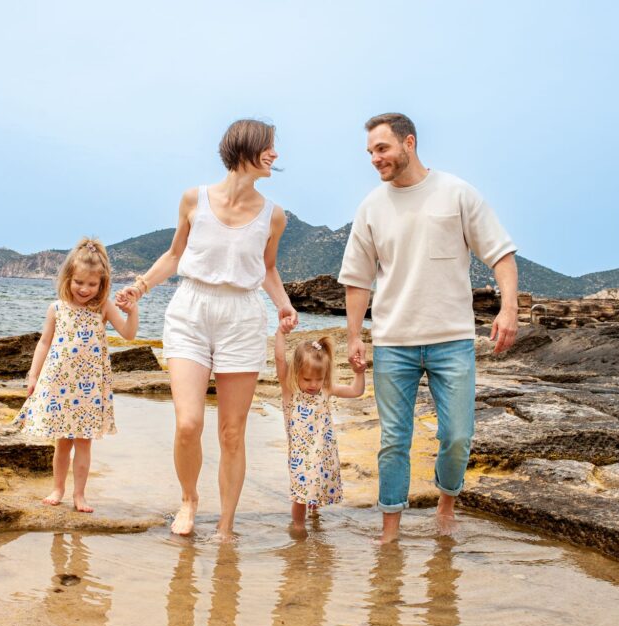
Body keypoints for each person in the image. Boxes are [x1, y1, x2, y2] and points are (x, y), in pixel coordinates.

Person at [338, 113, 519, 544]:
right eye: (370, 152)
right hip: (393, 343)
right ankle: (390, 531)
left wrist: (508, 308)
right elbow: (357, 280)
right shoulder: (371, 207)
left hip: (451, 340)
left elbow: (501, 254)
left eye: (382, 149)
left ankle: (446, 503)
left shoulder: (456, 193)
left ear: (409, 143)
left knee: (457, 436)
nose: (375, 159)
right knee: (393, 440)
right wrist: (353, 337)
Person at [117, 119, 298, 539]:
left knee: (233, 431)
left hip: (242, 317)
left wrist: (285, 306)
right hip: (190, 311)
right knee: (188, 424)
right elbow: (175, 254)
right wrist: (140, 286)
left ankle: (227, 524)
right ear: (244, 148)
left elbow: (267, 269)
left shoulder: (274, 216)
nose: (274, 155)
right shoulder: (193, 199)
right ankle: (188, 499)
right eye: (268, 147)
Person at [16, 236, 139, 513]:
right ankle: (58, 488)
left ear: (102, 283)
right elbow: (44, 343)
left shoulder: (103, 307)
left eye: (92, 284)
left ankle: (79, 495)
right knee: (62, 443)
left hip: (90, 387)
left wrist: (133, 311)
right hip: (60, 383)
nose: (85, 289)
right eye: (79, 282)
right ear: (68, 278)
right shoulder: (57, 308)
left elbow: (129, 334)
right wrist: (33, 376)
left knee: (84, 444)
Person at [274, 331, 365, 529]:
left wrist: (359, 372)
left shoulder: (326, 388)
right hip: (300, 455)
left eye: (319, 379)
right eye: (307, 379)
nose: (313, 385)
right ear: (296, 373)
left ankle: (315, 513)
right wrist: (280, 333)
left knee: (317, 485)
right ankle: (298, 527)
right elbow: (280, 359)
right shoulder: (290, 389)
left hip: (323, 452)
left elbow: (356, 391)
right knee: (300, 494)